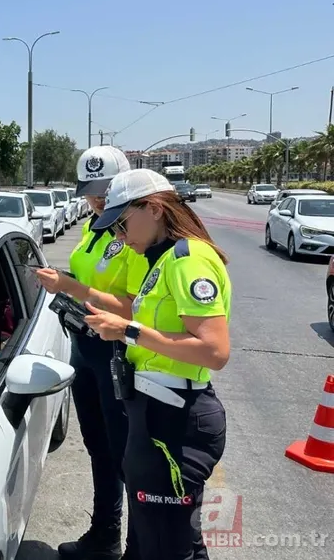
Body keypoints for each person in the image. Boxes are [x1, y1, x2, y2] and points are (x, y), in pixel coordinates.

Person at [81, 169, 231, 560]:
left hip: (175, 420)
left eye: (122, 224)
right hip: (153, 413)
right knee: (166, 542)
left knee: (167, 547)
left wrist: (127, 332)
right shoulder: (159, 259)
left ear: (153, 208)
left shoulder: (187, 260)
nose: (119, 237)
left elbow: (214, 351)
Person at [36, 146, 149, 560]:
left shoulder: (132, 237)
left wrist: (72, 289)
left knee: (126, 456)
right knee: (98, 447)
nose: (97, 199)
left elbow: (137, 305)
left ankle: (138, 546)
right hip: (84, 347)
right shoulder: (94, 228)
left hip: (116, 354)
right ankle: (105, 535)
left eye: (105, 191)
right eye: (91, 192)